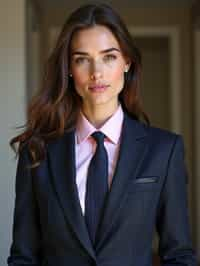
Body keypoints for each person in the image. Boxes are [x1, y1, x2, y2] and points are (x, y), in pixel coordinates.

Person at [8, 3, 197, 266]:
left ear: (127, 62)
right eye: (82, 59)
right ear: (69, 69)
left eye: (109, 57)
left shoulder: (164, 150)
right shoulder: (37, 151)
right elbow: (23, 257)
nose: (96, 73)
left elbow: (179, 256)